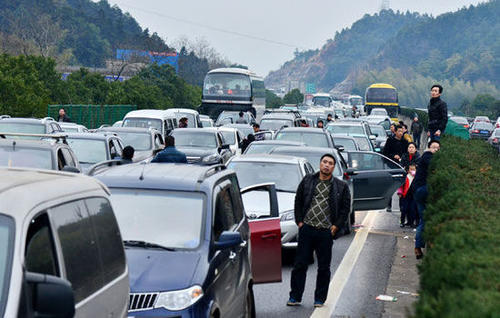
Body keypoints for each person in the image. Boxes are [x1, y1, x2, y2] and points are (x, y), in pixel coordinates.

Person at [288, 154, 351, 308]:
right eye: (324, 162)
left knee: (323, 267)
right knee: (300, 264)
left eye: (330, 163)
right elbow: (298, 200)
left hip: (325, 232)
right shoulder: (308, 180)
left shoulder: (340, 186)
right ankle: (295, 296)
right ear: (320, 164)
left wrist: (335, 227)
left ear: (333, 167)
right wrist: (300, 222)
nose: (326, 165)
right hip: (307, 229)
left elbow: (345, 209)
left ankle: (319, 299)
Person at [412, 140, 440, 259]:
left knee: (424, 219)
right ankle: (423, 245)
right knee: (426, 219)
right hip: (423, 190)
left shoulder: (426, 157)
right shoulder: (427, 156)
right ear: (429, 148)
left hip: (419, 191)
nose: (436, 150)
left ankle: (418, 248)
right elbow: (433, 164)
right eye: (434, 147)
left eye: (438, 148)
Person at [383, 125, 408, 212]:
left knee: (402, 186)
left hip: (402, 166)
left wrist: (402, 158)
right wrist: (393, 156)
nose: (401, 133)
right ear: (395, 132)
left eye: (402, 131)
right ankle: (388, 205)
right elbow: (385, 153)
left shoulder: (405, 142)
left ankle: (402, 206)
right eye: (399, 131)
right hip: (391, 165)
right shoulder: (390, 140)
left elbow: (406, 154)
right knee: (390, 186)